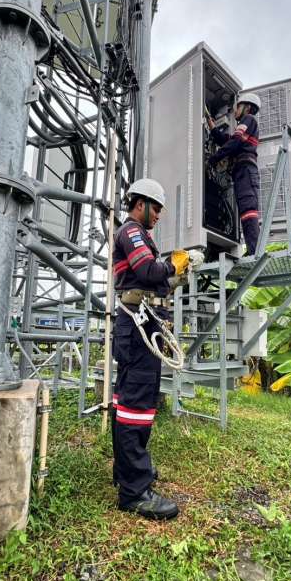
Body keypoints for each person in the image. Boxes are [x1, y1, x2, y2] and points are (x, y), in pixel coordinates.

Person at [111, 177, 189, 520]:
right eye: (156, 208)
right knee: (137, 405)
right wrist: (174, 264)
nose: (159, 214)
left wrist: (175, 276)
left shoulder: (140, 235)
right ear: (139, 204)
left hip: (142, 323)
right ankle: (134, 491)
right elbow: (146, 269)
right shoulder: (132, 231)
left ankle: (128, 471)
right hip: (138, 324)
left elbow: (150, 278)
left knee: (128, 399)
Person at [207, 92, 262, 256]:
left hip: (246, 171)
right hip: (242, 172)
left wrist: (214, 158)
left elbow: (234, 142)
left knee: (248, 210)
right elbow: (228, 140)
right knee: (246, 211)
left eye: (238, 107)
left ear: (247, 107)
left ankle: (254, 251)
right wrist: (213, 129)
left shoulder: (249, 119)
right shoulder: (246, 126)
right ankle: (253, 249)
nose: (235, 110)